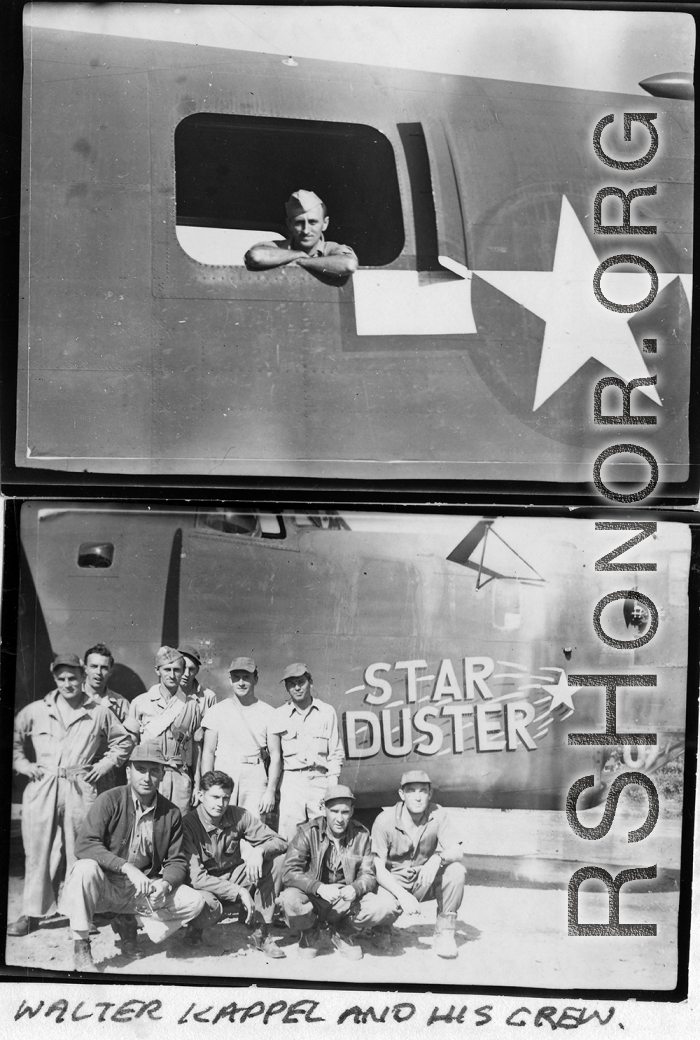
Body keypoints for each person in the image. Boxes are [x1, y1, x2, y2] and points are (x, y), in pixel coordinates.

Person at [9, 653, 133, 937]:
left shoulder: (98, 711)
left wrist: (103, 765)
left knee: (80, 852)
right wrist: (23, 765)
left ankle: (79, 915)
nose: (68, 684)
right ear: (55, 679)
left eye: (73, 678)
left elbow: (123, 741)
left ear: (82, 677)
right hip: (43, 787)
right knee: (39, 852)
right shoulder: (35, 711)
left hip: (80, 788)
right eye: (62, 678)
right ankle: (32, 914)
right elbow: (13, 741)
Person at [60, 743, 212, 972]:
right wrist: (126, 868)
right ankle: (81, 947)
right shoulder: (109, 800)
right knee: (84, 868)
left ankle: (131, 921)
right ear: (128, 771)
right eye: (141, 769)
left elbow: (177, 861)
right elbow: (85, 844)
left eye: (154, 771)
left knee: (194, 901)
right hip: (107, 886)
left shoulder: (170, 812)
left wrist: (165, 883)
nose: (147, 777)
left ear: (162, 774)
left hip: (142, 891)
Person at [279, 785, 397, 960]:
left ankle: (343, 932)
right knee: (289, 901)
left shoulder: (361, 835)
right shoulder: (307, 832)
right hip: (314, 897)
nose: (339, 818)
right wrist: (318, 887)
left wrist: (355, 888)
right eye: (334, 811)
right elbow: (289, 871)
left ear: (352, 811)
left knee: (387, 906)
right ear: (323, 809)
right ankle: (310, 932)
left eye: (345, 812)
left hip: (346, 900)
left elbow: (369, 874)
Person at [182, 770, 288, 957]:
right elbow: (196, 878)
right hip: (206, 885)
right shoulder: (188, 825)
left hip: (235, 875)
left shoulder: (238, 815)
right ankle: (195, 926)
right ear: (200, 795)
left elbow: (279, 841)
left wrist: (260, 851)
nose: (220, 804)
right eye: (215, 797)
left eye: (225, 798)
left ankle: (261, 932)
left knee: (275, 862)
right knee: (206, 904)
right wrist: (238, 891)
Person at [370, 770, 467, 959]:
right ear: (402, 794)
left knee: (456, 871)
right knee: (381, 907)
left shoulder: (437, 813)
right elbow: (378, 868)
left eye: (423, 791)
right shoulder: (385, 820)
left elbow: (457, 851)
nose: (417, 797)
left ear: (430, 794)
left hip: (423, 879)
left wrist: (438, 858)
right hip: (393, 883)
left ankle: (444, 934)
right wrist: (403, 895)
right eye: (411, 791)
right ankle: (381, 929)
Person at [267, 663, 344, 841]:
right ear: (286, 687)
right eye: (291, 684)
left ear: (310, 682)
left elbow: (335, 753)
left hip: (320, 780)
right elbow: (274, 757)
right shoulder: (278, 715)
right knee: (289, 835)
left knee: (325, 832)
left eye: (301, 682)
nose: (297, 687)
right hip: (292, 782)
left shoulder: (326, 712)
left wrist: (332, 786)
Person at [200, 657, 277, 818]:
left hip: (254, 777)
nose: (241, 682)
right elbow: (208, 752)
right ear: (230, 680)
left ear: (255, 679)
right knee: (221, 827)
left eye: (246, 677)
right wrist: (206, 788)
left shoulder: (268, 712)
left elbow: (276, 755)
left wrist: (270, 791)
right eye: (236, 678)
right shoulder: (216, 711)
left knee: (253, 827)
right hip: (223, 773)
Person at [128, 647, 201, 814]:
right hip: (148, 776)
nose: (172, 674)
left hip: (179, 777)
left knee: (177, 825)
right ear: (157, 670)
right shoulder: (140, 703)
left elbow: (196, 748)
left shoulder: (191, 705)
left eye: (177, 670)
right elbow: (132, 745)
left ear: (183, 672)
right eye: (166, 669)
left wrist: (197, 783)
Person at [244, 190, 358, 277]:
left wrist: (302, 261)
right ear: (289, 224)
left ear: (325, 223)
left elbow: (349, 264)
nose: (306, 230)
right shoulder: (277, 247)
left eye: (313, 222)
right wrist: (298, 254)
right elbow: (256, 256)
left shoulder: (332, 249)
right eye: (299, 223)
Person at [83, 642, 137, 792]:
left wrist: (108, 763)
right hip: (73, 769)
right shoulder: (71, 699)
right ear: (85, 668)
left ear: (111, 671)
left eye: (104, 668)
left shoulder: (121, 704)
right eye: (94, 666)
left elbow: (130, 740)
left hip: (103, 773)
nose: (98, 672)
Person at [177, 644, 218, 792]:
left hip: (197, 760)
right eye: (183, 667)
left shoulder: (208, 697)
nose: (186, 673)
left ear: (197, 671)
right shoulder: (169, 694)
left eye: (192, 669)